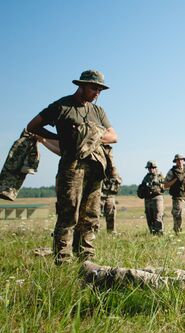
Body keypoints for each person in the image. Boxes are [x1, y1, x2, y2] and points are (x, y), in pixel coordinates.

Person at [26, 70, 118, 265]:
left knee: (91, 215)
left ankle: (86, 258)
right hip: (72, 167)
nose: (97, 93)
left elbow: (113, 136)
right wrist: (60, 138)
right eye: (94, 88)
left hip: (96, 168)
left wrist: (89, 137)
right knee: (69, 214)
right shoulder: (62, 106)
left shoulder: (98, 111)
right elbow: (32, 126)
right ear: (82, 85)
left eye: (100, 90)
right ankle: (63, 259)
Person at [138, 160, 166, 235]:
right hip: (147, 198)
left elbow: (165, 186)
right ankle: (152, 232)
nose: (151, 169)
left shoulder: (160, 175)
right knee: (149, 216)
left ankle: (159, 233)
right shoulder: (146, 177)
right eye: (149, 168)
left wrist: (158, 184)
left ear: (155, 167)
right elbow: (142, 187)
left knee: (158, 215)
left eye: (153, 167)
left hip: (157, 197)